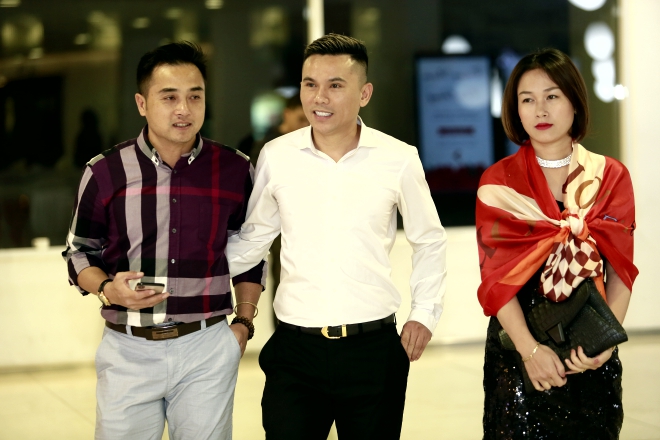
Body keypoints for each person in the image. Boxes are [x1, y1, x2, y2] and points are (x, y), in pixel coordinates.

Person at [227, 33, 447, 439]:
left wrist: (424, 312)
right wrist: (187, 272)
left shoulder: (398, 158)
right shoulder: (277, 156)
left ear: (364, 93)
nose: (319, 98)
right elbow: (253, 240)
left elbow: (429, 240)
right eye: (310, 84)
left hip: (373, 351)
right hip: (294, 351)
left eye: (335, 85)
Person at [62, 42, 265, 440]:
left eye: (195, 96)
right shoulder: (105, 171)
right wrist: (107, 289)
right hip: (128, 350)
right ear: (142, 103)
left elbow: (252, 254)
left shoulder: (234, 169)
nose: (183, 109)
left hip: (206, 347)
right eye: (169, 97)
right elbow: (79, 251)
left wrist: (243, 322)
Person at [475, 48, 638, 439]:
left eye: (552, 96)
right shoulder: (498, 184)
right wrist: (530, 351)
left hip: (589, 352)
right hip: (518, 353)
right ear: (515, 110)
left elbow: (622, 270)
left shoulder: (610, 176)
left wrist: (606, 343)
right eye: (527, 100)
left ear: (574, 102)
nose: (540, 110)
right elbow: (496, 281)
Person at [248, 92, 308, 326]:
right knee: (284, 281)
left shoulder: (307, 144)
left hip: (302, 223)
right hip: (277, 225)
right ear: (287, 114)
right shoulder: (268, 148)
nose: (305, 125)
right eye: (301, 119)